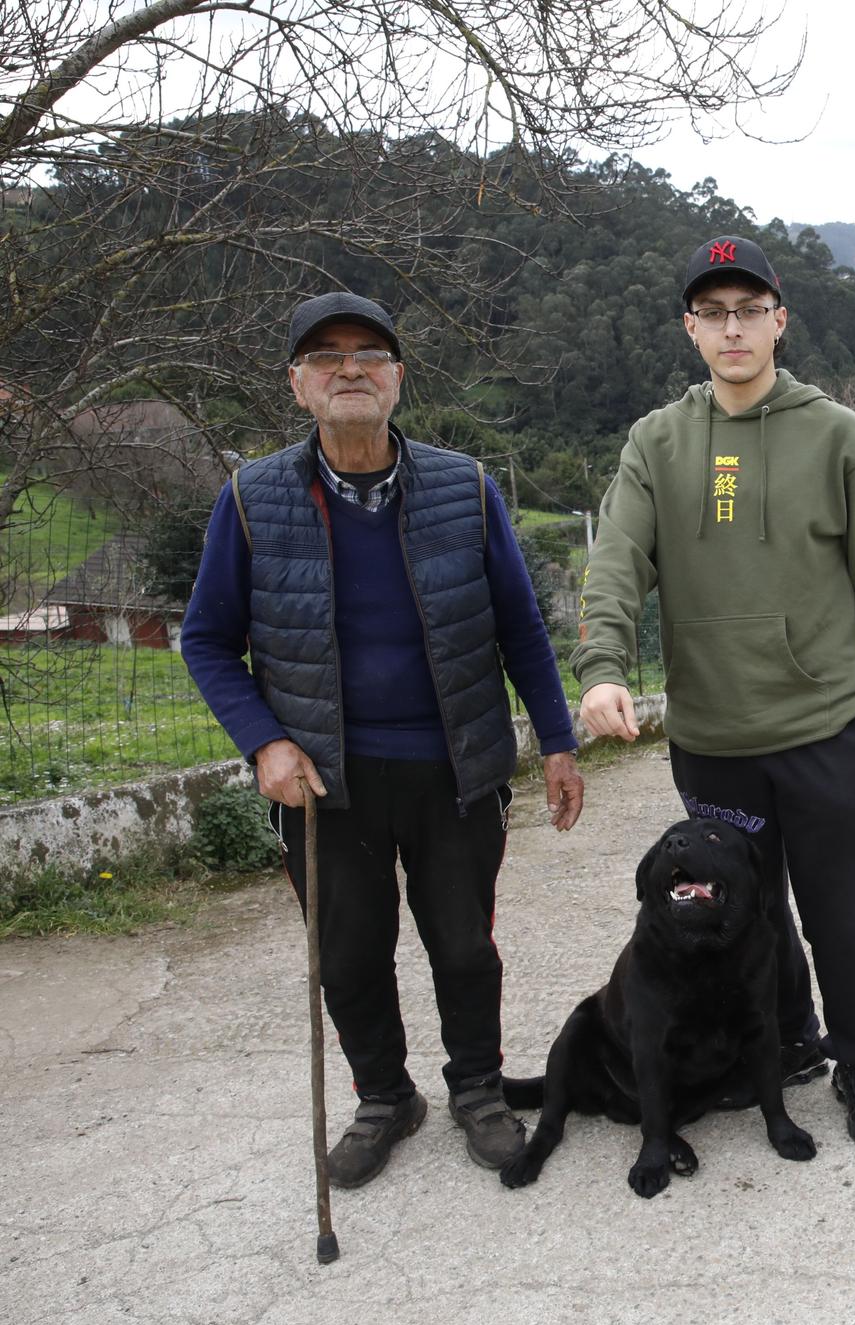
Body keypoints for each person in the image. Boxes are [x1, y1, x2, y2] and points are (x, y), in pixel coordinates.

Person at [181, 292, 585, 1187]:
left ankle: (477, 1088)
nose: (350, 369)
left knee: (464, 944)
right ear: (298, 385)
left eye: (369, 353)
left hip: (454, 768)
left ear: (399, 378)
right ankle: (384, 1096)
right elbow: (206, 638)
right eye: (326, 357)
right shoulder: (251, 500)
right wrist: (264, 743)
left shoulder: (464, 487)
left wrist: (557, 742)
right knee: (349, 952)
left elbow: (520, 627)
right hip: (326, 781)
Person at [574, 235, 855, 1150]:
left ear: (779, 320)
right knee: (747, 914)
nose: (734, 328)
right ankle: (789, 1039)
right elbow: (615, 562)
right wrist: (603, 665)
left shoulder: (840, 435)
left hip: (827, 734)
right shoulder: (658, 442)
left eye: (749, 310)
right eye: (714, 312)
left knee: (843, 917)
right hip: (715, 740)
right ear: (691, 328)